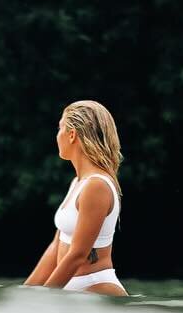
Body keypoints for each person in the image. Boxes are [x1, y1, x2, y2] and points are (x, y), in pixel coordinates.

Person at [24, 100, 126, 296]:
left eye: (59, 128)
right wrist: (25, 293)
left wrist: (43, 299)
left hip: (96, 288)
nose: (57, 136)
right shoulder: (78, 183)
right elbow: (56, 247)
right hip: (70, 288)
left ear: (72, 135)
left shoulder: (97, 186)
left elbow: (78, 254)